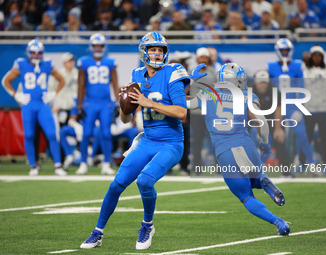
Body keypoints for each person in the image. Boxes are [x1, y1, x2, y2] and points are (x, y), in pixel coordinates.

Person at [79, 32, 190, 250]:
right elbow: (127, 118)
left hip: (171, 142)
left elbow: (181, 112)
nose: (157, 54)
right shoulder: (137, 74)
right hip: (147, 140)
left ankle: (147, 225)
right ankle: (98, 232)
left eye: (160, 50)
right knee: (116, 185)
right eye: (153, 49)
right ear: (143, 52)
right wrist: (125, 104)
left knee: (145, 181)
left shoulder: (174, 72)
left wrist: (147, 102)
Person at [188, 62, 290, 235]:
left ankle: (278, 222)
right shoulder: (246, 95)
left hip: (224, 151)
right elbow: (262, 122)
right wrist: (264, 142)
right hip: (246, 145)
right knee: (254, 176)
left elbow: (183, 104)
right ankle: (261, 180)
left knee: (246, 196)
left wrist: (191, 82)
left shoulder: (208, 94)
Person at [2, 39, 67, 176]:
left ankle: (58, 165)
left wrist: (53, 93)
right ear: (28, 53)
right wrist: (16, 95)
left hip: (43, 104)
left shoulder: (47, 64)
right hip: (28, 104)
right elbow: (5, 81)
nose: (36, 55)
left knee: (51, 134)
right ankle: (33, 165)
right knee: (30, 135)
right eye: (33, 53)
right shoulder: (21, 64)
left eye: (38, 53)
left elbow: (62, 79)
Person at [268, 38, 316, 166]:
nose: (284, 53)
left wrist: (299, 108)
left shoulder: (298, 65)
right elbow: (268, 88)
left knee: (301, 133)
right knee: (267, 133)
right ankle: (262, 163)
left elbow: (301, 89)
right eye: (282, 51)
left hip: (291, 104)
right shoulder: (271, 66)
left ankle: (310, 162)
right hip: (276, 104)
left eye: (286, 51)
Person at [76, 33, 120, 175]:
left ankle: (106, 163)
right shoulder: (84, 62)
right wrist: (79, 105)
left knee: (106, 133)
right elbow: (80, 85)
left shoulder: (110, 62)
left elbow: (115, 83)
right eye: (96, 45)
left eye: (101, 45)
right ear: (91, 46)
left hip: (105, 103)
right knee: (86, 133)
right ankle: (83, 163)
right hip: (90, 102)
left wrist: (118, 102)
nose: (98, 48)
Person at [303, 45, 326, 165]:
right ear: (311, 57)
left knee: (325, 139)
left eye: (319, 56)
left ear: (322, 57)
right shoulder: (305, 70)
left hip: (324, 111)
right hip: (308, 110)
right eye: (314, 56)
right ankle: (302, 164)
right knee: (306, 138)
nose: (317, 58)